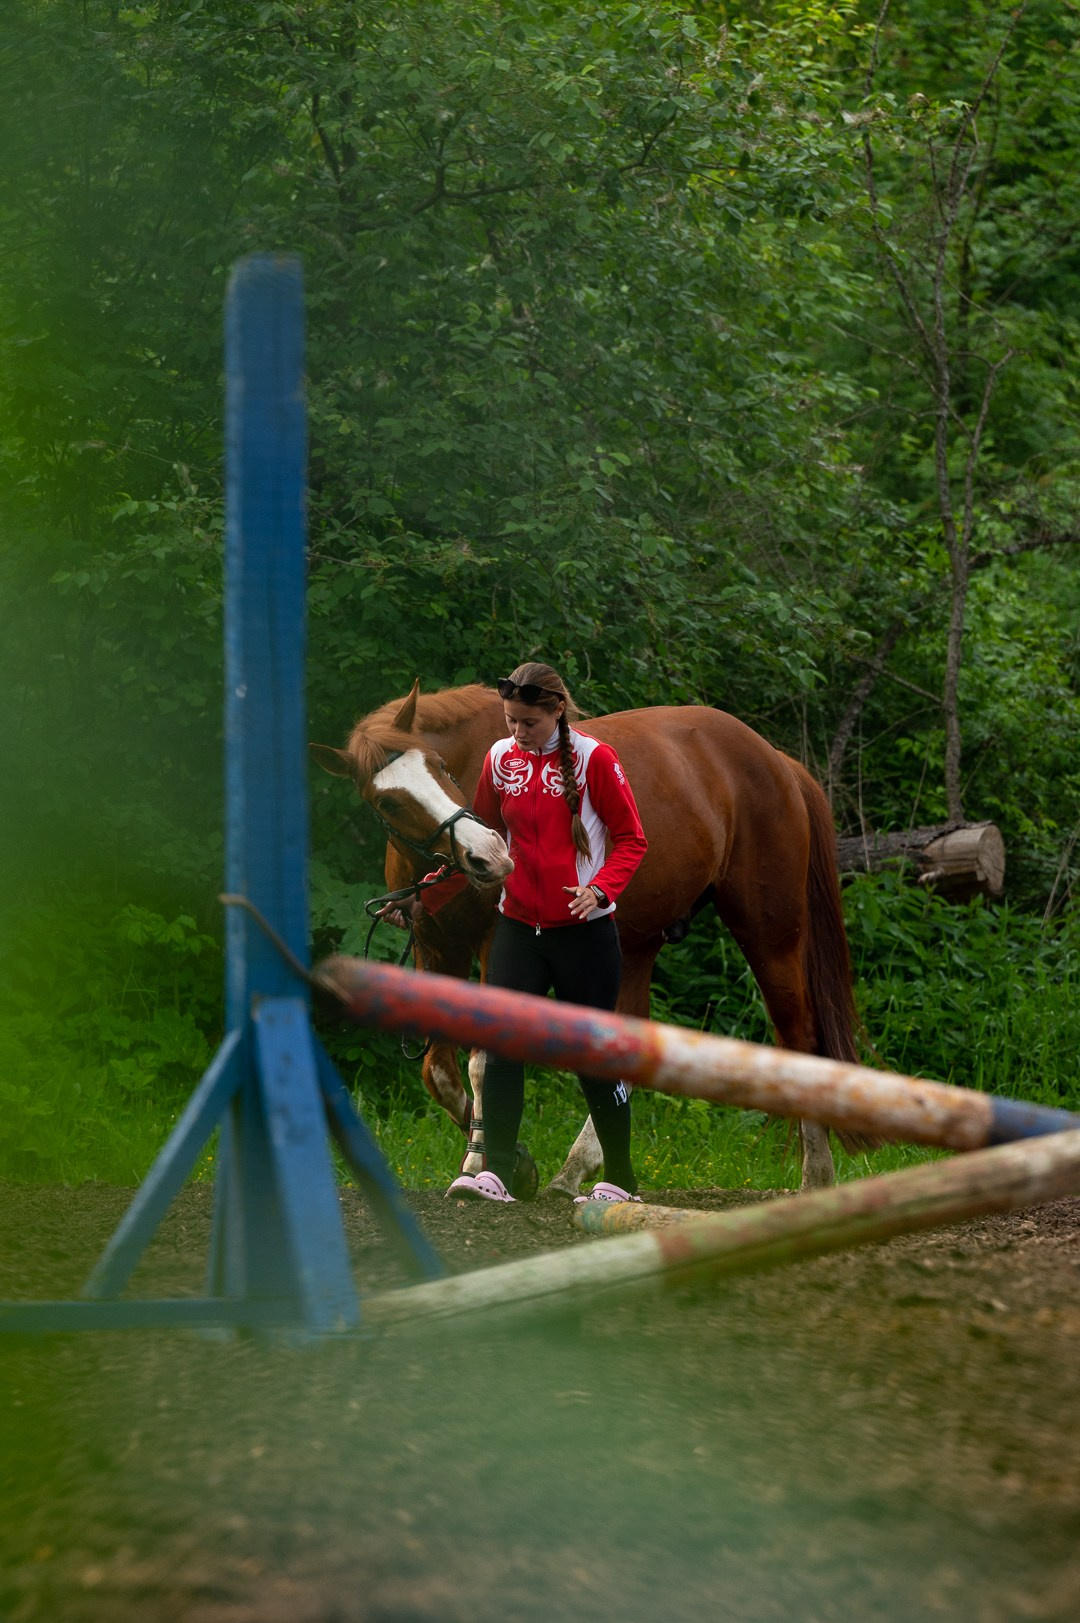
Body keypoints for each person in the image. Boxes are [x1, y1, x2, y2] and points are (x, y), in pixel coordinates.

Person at [400, 661, 648, 1205]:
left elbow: (632, 839)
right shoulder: (499, 758)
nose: (517, 732)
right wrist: (424, 899)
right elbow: (482, 845)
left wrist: (602, 889)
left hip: (583, 932)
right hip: (518, 926)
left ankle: (620, 1179)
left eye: (528, 723)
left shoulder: (593, 760)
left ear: (557, 710)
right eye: (510, 721)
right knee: (502, 1048)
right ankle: (498, 1173)